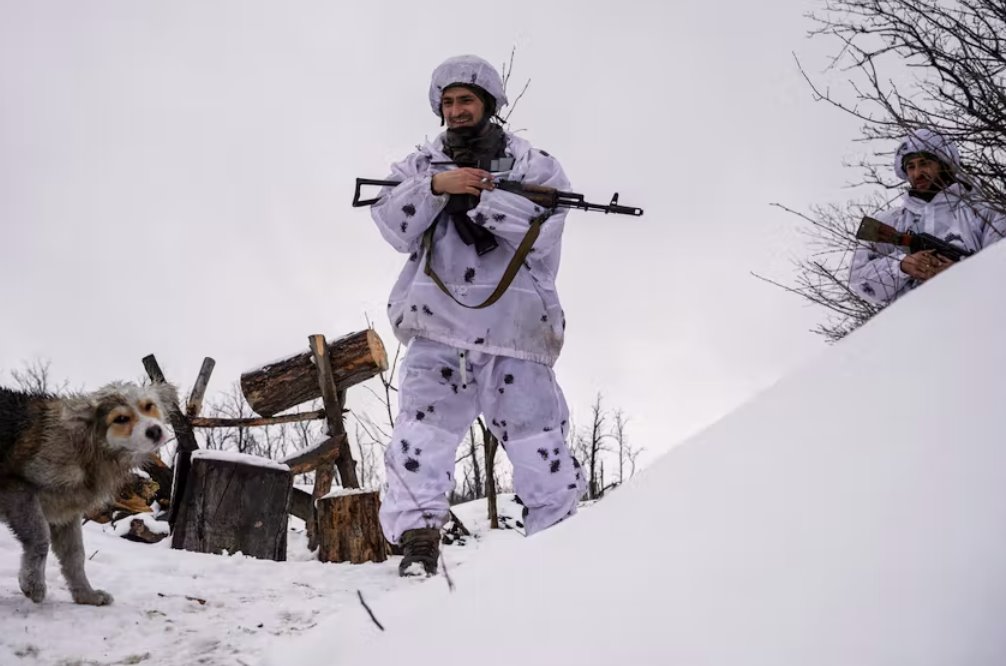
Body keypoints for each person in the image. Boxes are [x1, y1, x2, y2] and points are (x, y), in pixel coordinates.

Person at [370, 55, 585, 576]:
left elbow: (545, 228)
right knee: (422, 436)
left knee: (538, 437)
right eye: (448, 102)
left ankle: (559, 545)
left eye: (466, 99)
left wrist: (483, 195)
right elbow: (390, 220)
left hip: (515, 326)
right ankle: (419, 539)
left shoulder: (534, 164)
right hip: (438, 325)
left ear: (488, 103)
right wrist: (438, 189)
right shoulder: (421, 166)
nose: (456, 110)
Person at [850, 128, 1005, 305]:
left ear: (944, 164)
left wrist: (962, 273)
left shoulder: (986, 211)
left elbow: (1000, 269)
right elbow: (859, 282)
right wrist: (902, 266)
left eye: (924, 163)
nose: (917, 173)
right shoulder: (889, 221)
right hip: (911, 325)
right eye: (910, 167)